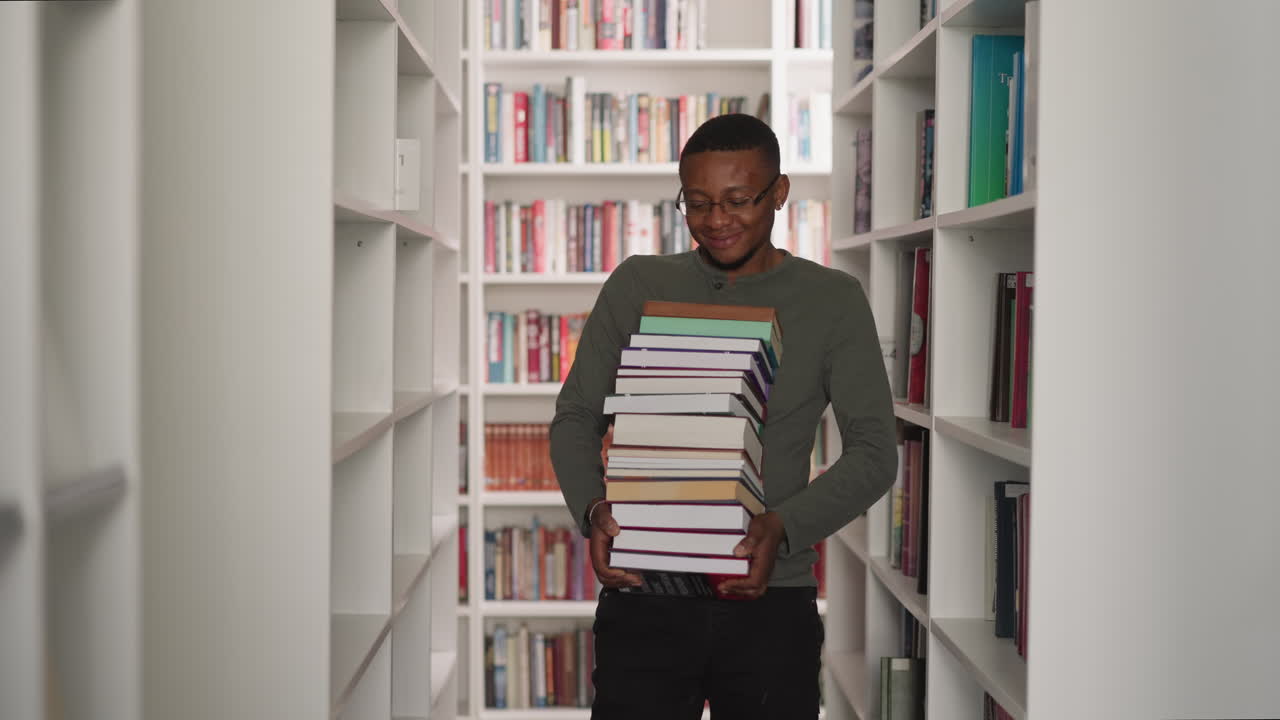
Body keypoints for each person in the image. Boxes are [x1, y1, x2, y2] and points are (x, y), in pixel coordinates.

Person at [549, 113, 897, 719]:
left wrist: (782, 526)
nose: (716, 221)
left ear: (779, 193)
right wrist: (592, 509)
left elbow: (873, 453)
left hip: (770, 599)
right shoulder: (638, 283)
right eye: (698, 202)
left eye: (738, 200)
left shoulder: (832, 298)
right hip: (643, 593)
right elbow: (577, 415)